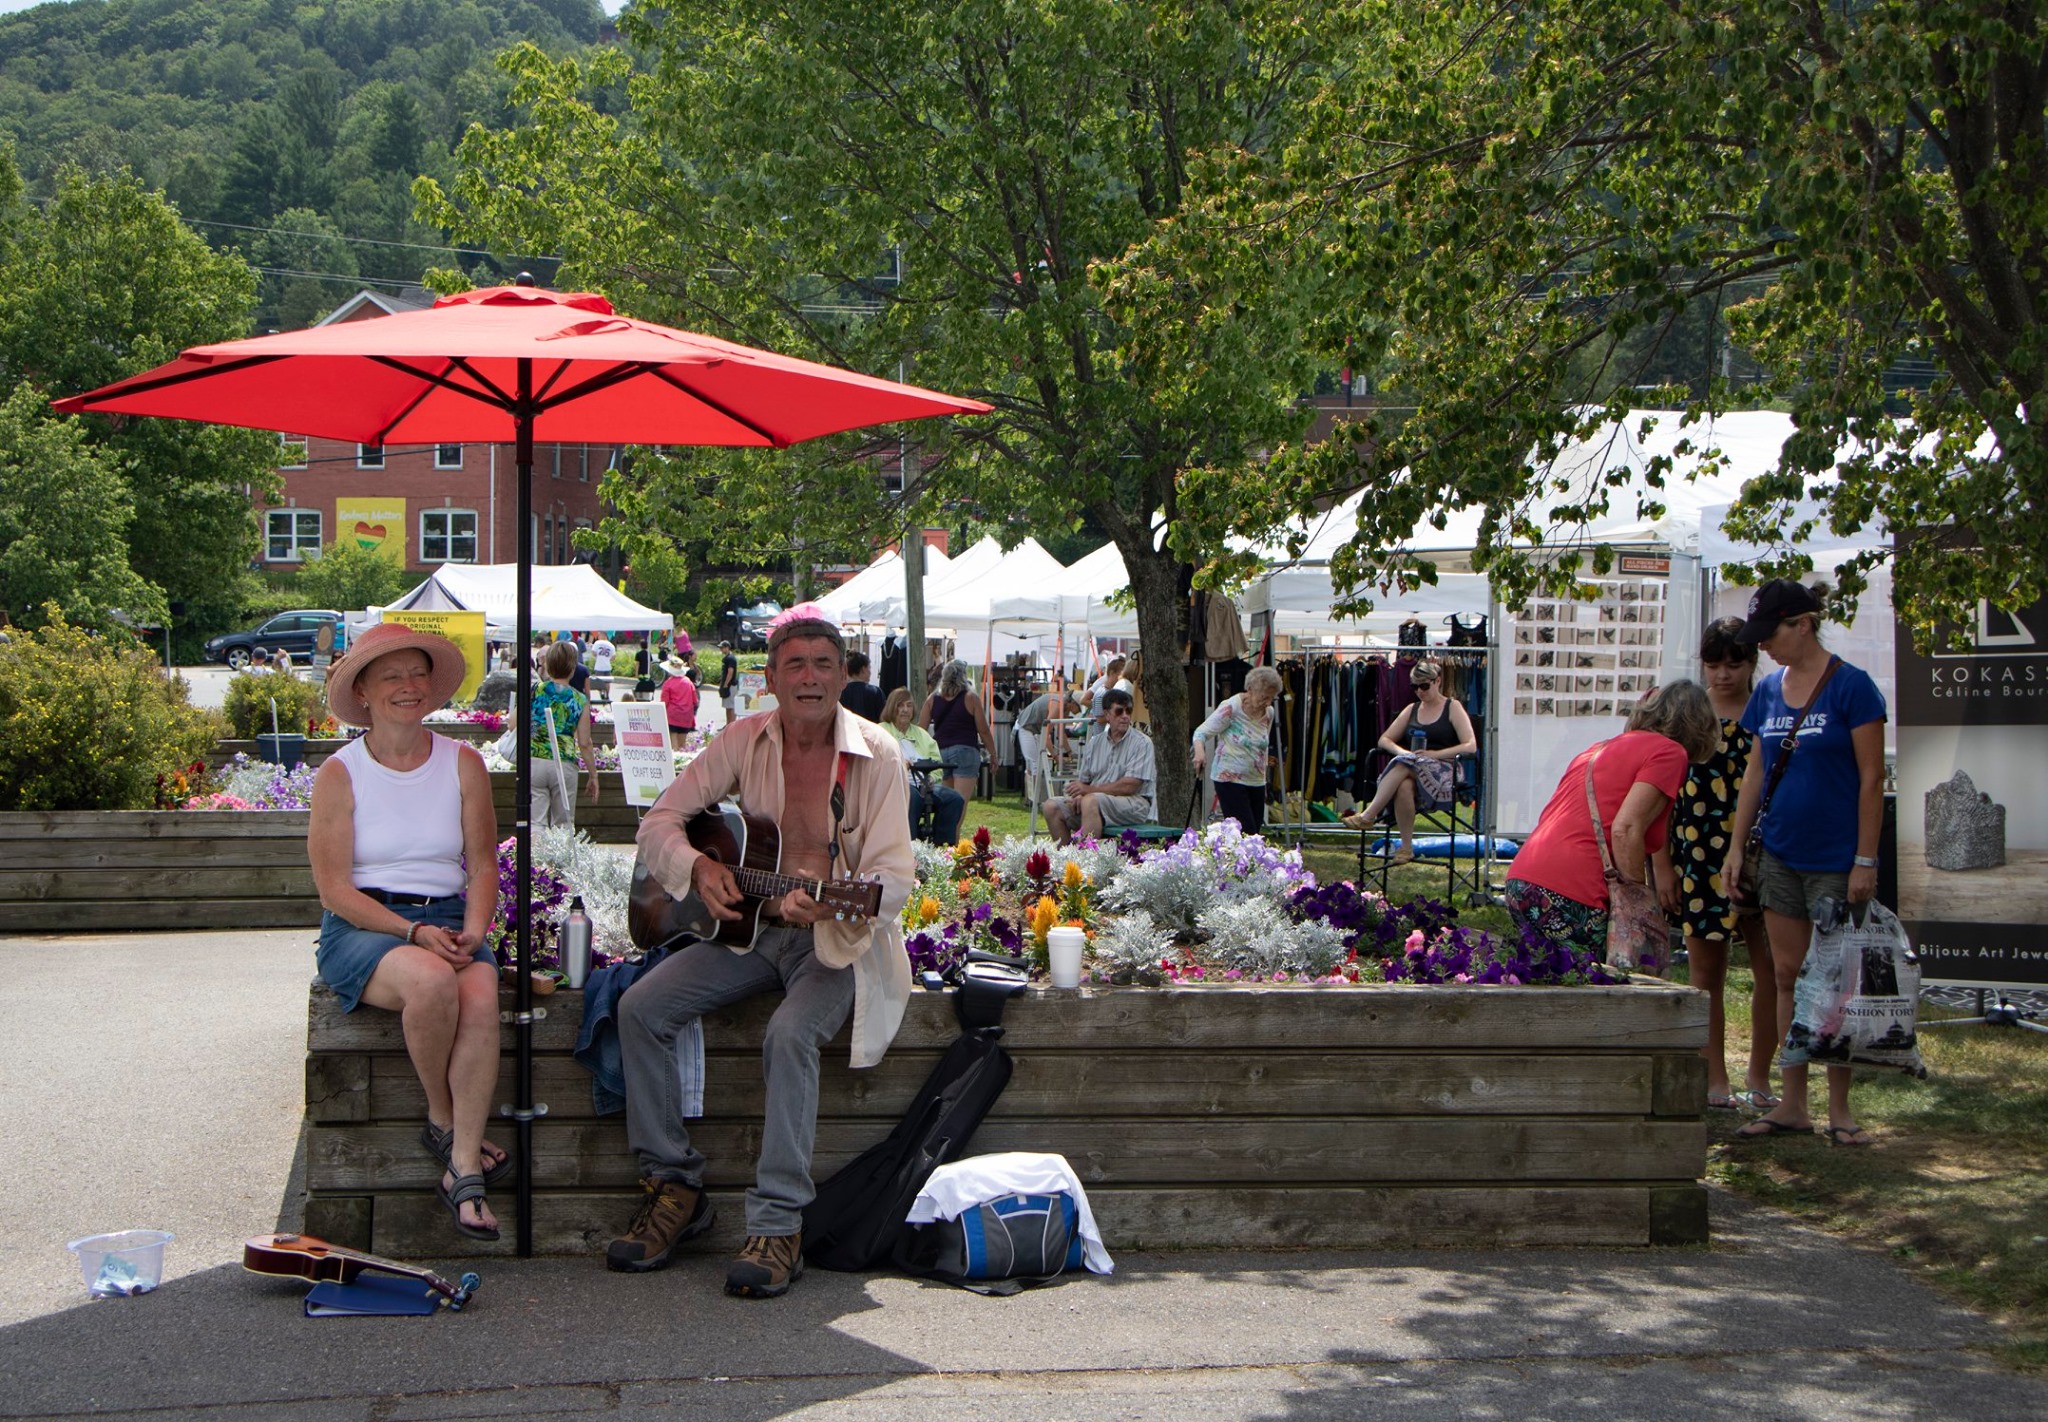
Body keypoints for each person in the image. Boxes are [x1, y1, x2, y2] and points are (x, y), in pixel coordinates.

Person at [612, 605, 914, 1297]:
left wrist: (833, 896)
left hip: (837, 939)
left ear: (843, 677)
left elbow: (893, 879)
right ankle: (674, 1189)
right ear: (770, 678)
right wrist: (698, 869)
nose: (810, 677)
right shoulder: (743, 739)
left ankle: (778, 1225)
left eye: (824, 664)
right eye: (795, 665)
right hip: (750, 934)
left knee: (787, 1036)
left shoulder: (880, 756)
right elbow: (661, 820)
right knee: (639, 1008)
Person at [307, 624, 506, 1241]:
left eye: (418, 673)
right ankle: (444, 1121)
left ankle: (462, 1163)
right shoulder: (340, 774)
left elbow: (482, 863)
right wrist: (411, 931)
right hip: (367, 924)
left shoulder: (462, 762)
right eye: (391, 675)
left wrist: (474, 931)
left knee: (479, 993)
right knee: (430, 983)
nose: (408, 686)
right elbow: (334, 889)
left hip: (447, 919)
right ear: (362, 690)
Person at [1723, 581, 1888, 1148]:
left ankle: (1839, 1108)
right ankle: (1793, 1103)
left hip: (1838, 859)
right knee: (1786, 975)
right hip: (1780, 857)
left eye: (1770, 634)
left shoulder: (1853, 687)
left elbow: (1873, 778)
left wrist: (1864, 858)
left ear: (1803, 624)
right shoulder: (1768, 692)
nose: (1764, 646)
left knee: (1839, 982)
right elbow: (1754, 773)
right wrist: (1736, 846)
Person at [1653, 619, 1779, 1111]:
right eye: (1714, 664)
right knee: (1706, 974)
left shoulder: (1769, 707)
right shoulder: (1686, 711)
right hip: (1697, 853)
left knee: (1772, 972)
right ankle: (1714, 1075)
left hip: (1760, 854)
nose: (1724, 674)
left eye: (1735, 663)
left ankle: (1762, 1075)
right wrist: (1661, 865)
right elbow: (1658, 794)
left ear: (1752, 662)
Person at [1502, 680, 1722, 958]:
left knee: (1553, 983)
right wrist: (1637, 907)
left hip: (1524, 879)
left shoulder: (1599, 748)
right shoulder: (1669, 752)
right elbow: (1626, 828)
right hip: (1575, 890)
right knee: (1597, 990)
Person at [1341, 660, 1479, 862]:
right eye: (1415, 687)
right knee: (1404, 784)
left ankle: (1368, 816)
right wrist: (1402, 751)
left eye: (1424, 686)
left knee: (1403, 764)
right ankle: (1406, 848)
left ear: (1437, 681)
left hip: (1446, 770)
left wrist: (1434, 754)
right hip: (1412, 765)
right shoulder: (1412, 709)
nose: (1420, 691)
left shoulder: (1452, 707)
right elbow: (1384, 739)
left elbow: (1470, 746)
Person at [1042, 688, 1155, 845]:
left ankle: (1088, 860)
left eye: (1128, 711)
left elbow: (1130, 786)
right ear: (1107, 714)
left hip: (1133, 804)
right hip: (1096, 803)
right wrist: (1079, 795)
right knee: (1051, 806)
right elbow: (1084, 782)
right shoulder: (1095, 743)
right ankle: (1067, 862)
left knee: (1090, 801)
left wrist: (1088, 792)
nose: (1125, 716)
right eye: (1119, 711)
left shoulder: (1142, 743)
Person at [1190, 666, 1283, 835]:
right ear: (1250, 690)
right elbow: (1201, 733)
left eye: (1271, 698)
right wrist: (1199, 752)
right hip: (1230, 779)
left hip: (1256, 781)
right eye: (1264, 697)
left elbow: (1261, 746)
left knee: (1254, 834)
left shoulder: (1269, 713)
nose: (1267, 703)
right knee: (1245, 832)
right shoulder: (1232, 707)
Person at [883, 686, 965, 845]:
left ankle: (941, 848)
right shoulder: (881, 731)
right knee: (912, 798)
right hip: (896, 785)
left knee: (955, 799)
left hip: (924, 783)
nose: (905, 710)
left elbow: (936, 762)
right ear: (892, 707)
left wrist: (932, 778)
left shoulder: (921, 734)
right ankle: (909, 847)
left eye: (909, 705)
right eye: (900, 706)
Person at [531, 639, 599, 830]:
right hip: (564, 762)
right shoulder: (579, 699)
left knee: (535, 822)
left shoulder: (535, 691)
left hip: (535, 759)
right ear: (572, 668)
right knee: (564, 824)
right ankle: (562, 860)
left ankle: (535, 859)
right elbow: (585, 742)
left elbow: (512, 723)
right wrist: (593, 775)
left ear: (548, 665)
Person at [923, 658, 996, 802]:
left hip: (941, 751)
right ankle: (954, 826)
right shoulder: (971, 698)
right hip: (965, 749)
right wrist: (993, 754)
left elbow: (921, 729)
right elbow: (984, 730)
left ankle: (945, 825)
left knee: (946, 803)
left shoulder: (932, 699)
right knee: (960, 802)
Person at [1013, 687, 1077, 805]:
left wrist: (1070, 752)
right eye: (1077, 707)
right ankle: (1035, 799)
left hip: (1034, 729)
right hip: (1026, 726)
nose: (1077, 711)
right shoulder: (1057, 706)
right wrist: (1055, 756)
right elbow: (1046, 736)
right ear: (1072, 703)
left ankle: (1031, 799)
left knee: (1034, 765)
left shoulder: (1062, 706)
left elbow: (1060, 732)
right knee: (1036, 763)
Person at [657, 650, 699, 738]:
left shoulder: (668, 684)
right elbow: (695, 701)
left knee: (673, 740)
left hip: (673, 716)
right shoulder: (689, 682)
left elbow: (664, 702)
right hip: (686, 716)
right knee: (682, 743)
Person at [839, 650, 886, 722]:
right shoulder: (876, 692)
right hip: (870, 731)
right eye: (869, 668)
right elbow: (883, 718)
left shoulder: (841, 691)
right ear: (863, 669)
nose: (870, 672)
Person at [588, 631, 616, 699]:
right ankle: (607, 695)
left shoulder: (597, 643)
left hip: (599, 666)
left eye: (599, 635)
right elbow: (613, 657)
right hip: (607, 666)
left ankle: (602, 693)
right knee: (607, 682)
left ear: (602, 635)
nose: (598, 636)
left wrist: (598, 656)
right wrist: (607, 659)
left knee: (599, 682)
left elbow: (593, 653)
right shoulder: (611, 645)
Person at [718, 640, 740, 725]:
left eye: (722, 647)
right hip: (727, 684)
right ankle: (728, 724)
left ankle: (732, 724)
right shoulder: (727, 658)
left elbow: (730, 672)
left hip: (731, 685)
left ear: (727, 647)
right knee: (727, 706)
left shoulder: (730, 658)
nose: (721, 649)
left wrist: (726, 683)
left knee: (731, 706)